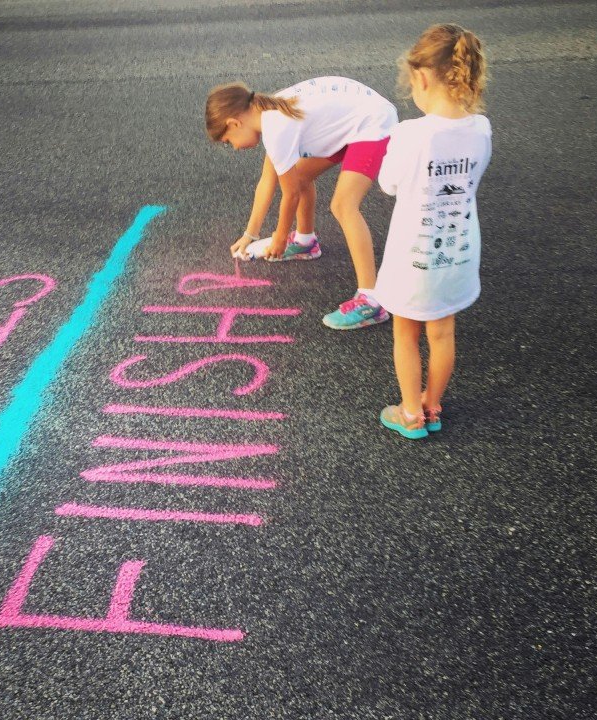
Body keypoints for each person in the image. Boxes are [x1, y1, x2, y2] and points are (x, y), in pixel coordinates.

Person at [205, 76, 398, 330]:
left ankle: (371, 300)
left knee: (343, 205)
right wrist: (249, 234)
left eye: (228, 141)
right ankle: (306, 242)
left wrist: (280, 238)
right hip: (350, 122)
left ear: (234, 122)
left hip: (372, 124)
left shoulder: (275, 127)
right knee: (303, 174)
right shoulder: (267, 111)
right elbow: (267, 181)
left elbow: (291, 194)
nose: (234, 148)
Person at [375, 24, 491, 439]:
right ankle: (432, 404)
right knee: (442, 334)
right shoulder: (481, 129)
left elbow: (388, 184)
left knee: (405, 333)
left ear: (421, 77)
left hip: (415, 255)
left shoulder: (412, 134)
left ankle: (409, 413)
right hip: (458, 250)